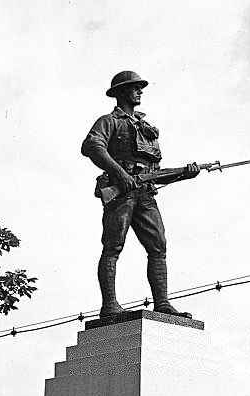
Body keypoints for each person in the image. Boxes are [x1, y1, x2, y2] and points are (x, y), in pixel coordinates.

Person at [81, 70, 198, 320]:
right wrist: (119, 173)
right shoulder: (109, 121)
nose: (140, 91)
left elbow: (154, 172)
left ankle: (162, 303)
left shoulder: (145, 128)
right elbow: (92, 146)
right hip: (121, 194)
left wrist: (183, 173)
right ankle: (110, 305)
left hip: (145, 194)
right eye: (135, 87)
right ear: (122, 92)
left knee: (159, 246)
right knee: (113, 246)